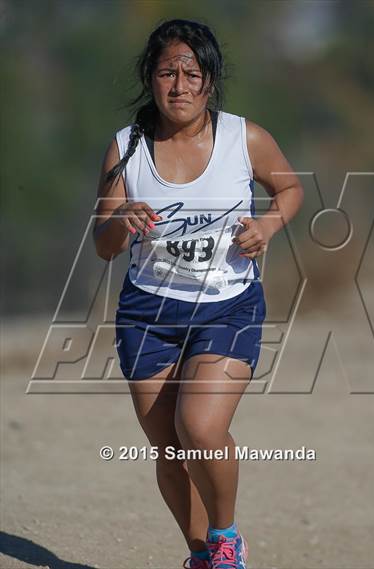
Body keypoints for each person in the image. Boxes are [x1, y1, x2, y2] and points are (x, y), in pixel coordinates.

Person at [93, 18, 303, 569]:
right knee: (169, 452)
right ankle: (202, 555)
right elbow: (103, 245)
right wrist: (124, 220)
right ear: (151, 78)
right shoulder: (126, 148)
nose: (179, 85)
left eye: (193, 72)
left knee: (201, 427)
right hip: (148, 313)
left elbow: (289, 187)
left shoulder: (244, 138)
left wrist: (268, 227)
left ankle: (227, 539)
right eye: (167, 72)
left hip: (227, 306)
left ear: (210, 81)